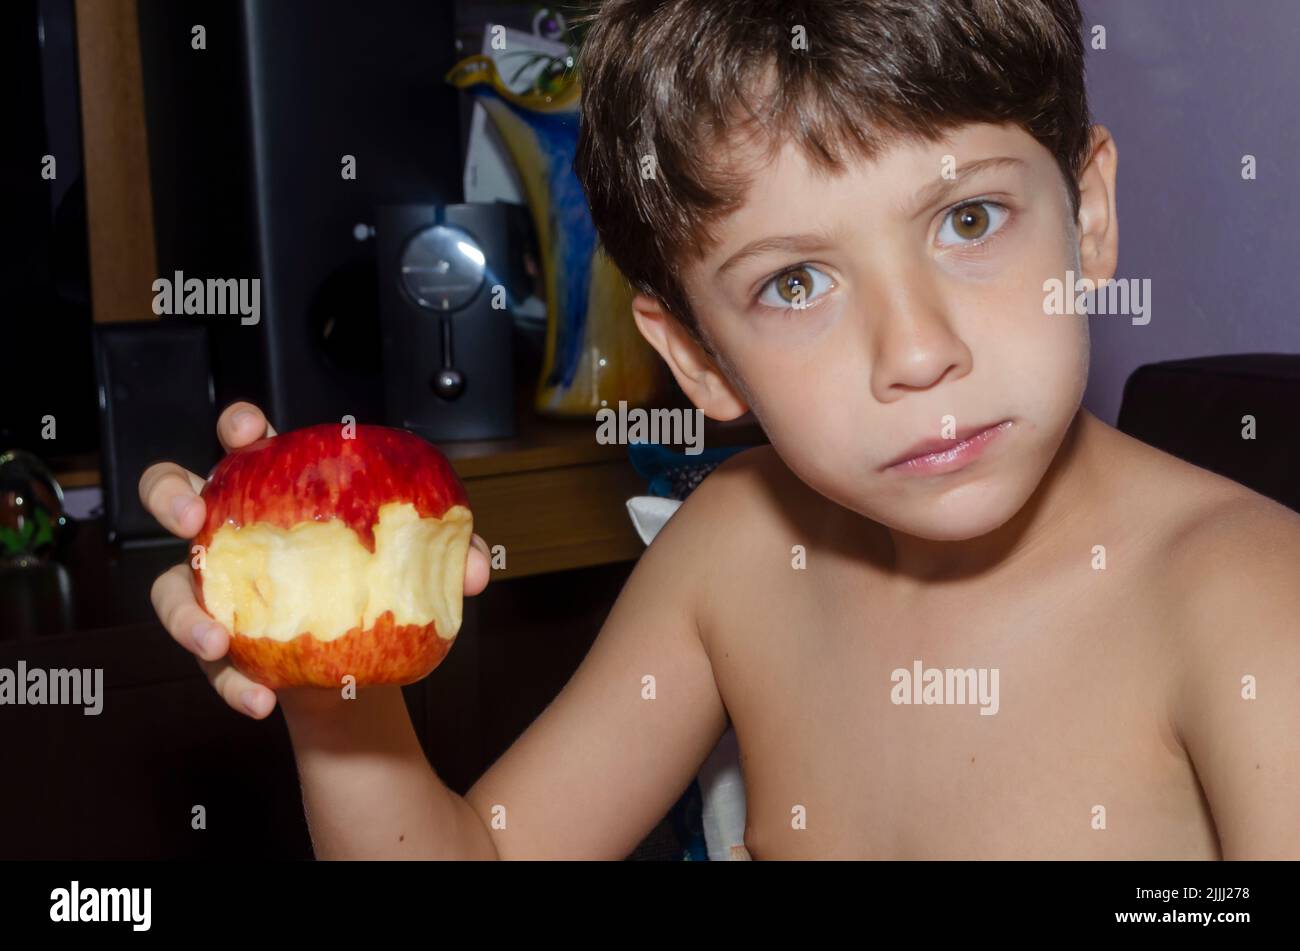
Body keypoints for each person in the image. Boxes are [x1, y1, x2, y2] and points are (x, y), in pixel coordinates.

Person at [138, 0, 1300, 859]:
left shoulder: (1247, 606)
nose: (913, 351)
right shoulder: (735, 553)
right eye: (795, 284)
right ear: (695, 354)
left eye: (970, 217)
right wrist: (330, 677)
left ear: (1085, 217)